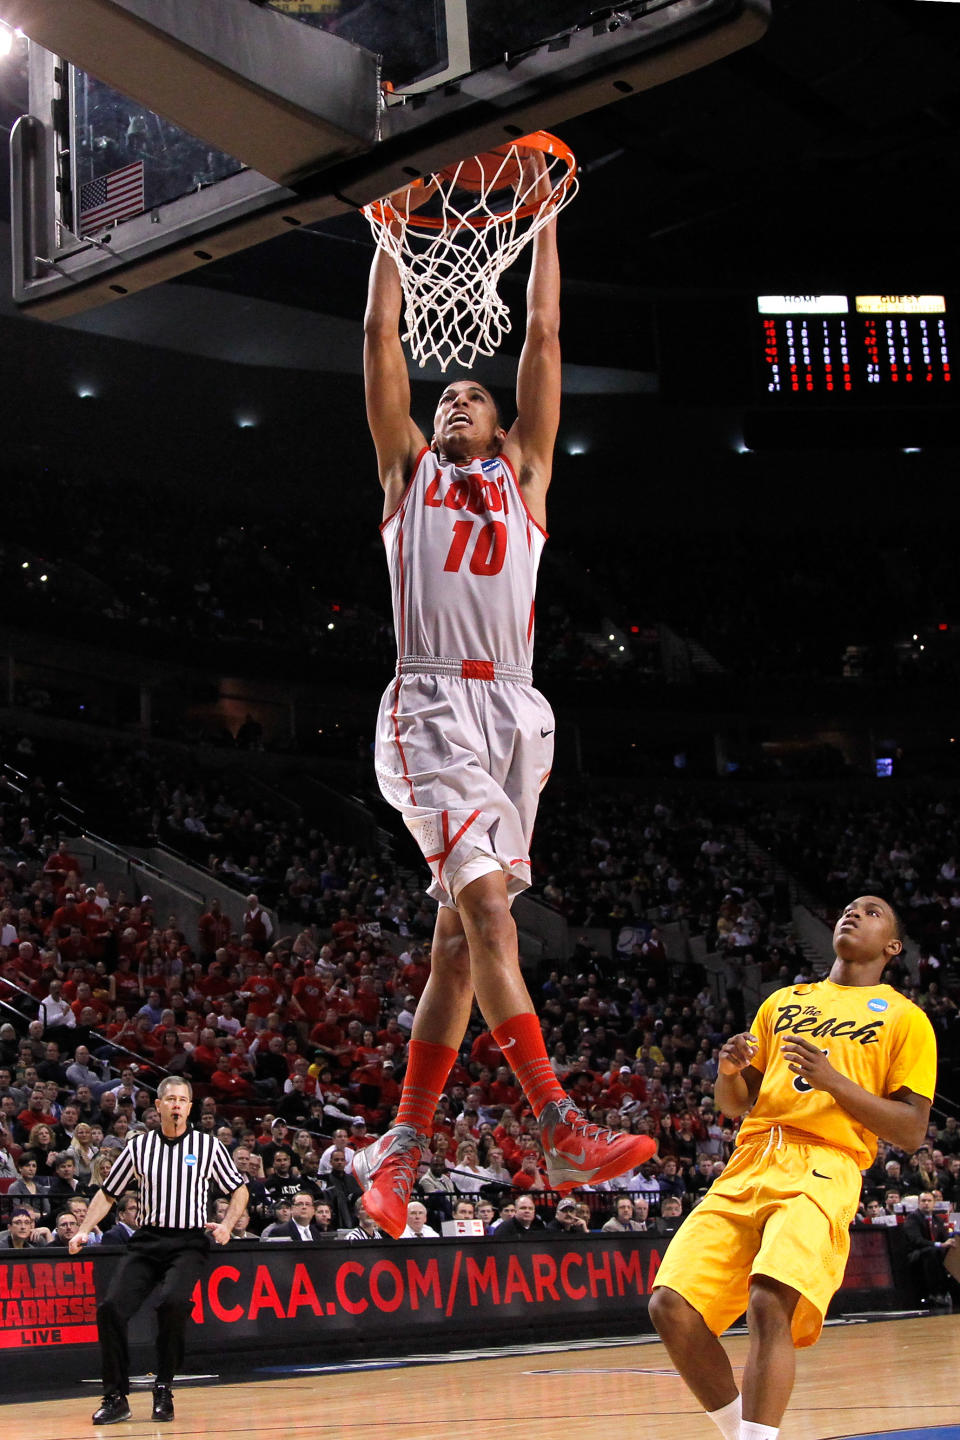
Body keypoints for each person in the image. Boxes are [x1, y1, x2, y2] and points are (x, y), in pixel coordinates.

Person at [355, 162, 655, 1239]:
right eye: (447, 397)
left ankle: (395, 1152)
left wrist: (542, 226)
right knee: (486, 914)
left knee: (453, 947)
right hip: (430, 706)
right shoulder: (407, 477)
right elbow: (383, 346)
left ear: (499, 423)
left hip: (517, 719)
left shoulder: (526, 479)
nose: (454, 402)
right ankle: (558, 1123)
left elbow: (544, 340)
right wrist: (390, 230)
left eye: (470, 397)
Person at [649, 896, 938, 1440]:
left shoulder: (906, 1018)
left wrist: (834, 1082)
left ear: (893, 947)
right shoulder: (784, 1000)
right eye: (849, 908)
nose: (853, 913)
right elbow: (736, 1104)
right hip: (750, 1160)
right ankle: (744, 1436)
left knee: (768, 1299)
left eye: (872, 912)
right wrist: (728, 1071)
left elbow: (911, 1129)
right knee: (670, 1307)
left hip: (825, 1165)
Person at [69, 1076, 247, 1426]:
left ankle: (163, 1386)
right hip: (148, 1239)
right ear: (159, 1106)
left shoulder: (208, 1146)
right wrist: (84, 1230)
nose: (178, 1105)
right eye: (172, 1100)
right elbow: (108, 1193)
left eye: (184, 1100)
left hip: (189, 1241)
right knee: (110, 1309)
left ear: (190, 1107)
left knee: (174, 1303)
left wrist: (226, 1224)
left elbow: (239, 1189)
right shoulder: (139, 1147)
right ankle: (116, 1396)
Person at [902, 1191, 956, 1309]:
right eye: (923, 1201)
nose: (926, 1203)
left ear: (934, 1203)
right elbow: (916, 1241)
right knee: (932, 1252)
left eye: (929, 1201)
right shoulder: (912, 1219)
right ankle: (935, 1293)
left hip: (935, 1251)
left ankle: (952, 1291)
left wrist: (950, 1243)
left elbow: (945, 1239)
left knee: (952, 1251)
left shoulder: (937, 1220)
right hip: (916, 1253)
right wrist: (939, 1245)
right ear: (918, 1203)